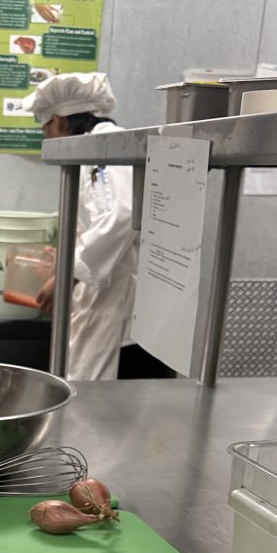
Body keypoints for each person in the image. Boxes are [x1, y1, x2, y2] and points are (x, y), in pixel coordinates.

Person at [28, 71, 174, 380]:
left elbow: (121, 216)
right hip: (120, 308)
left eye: (45, 129)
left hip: (123, 321)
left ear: (57, 122)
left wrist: (69, 275)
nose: (47, 138)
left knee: (110, 413)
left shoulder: (103, 150)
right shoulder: (102, 148)